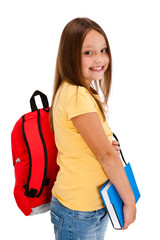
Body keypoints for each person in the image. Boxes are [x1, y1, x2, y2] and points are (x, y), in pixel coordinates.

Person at [49, 17, 136, 240]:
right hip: (78, 211)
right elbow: (106, 156)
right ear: (70, 55)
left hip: (89, 207)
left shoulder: (81, 91)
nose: (99, 59)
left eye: (103, 50)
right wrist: (129, 201)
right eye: (88, 52)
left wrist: (106, 142)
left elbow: (91, 143)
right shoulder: (77, 95)